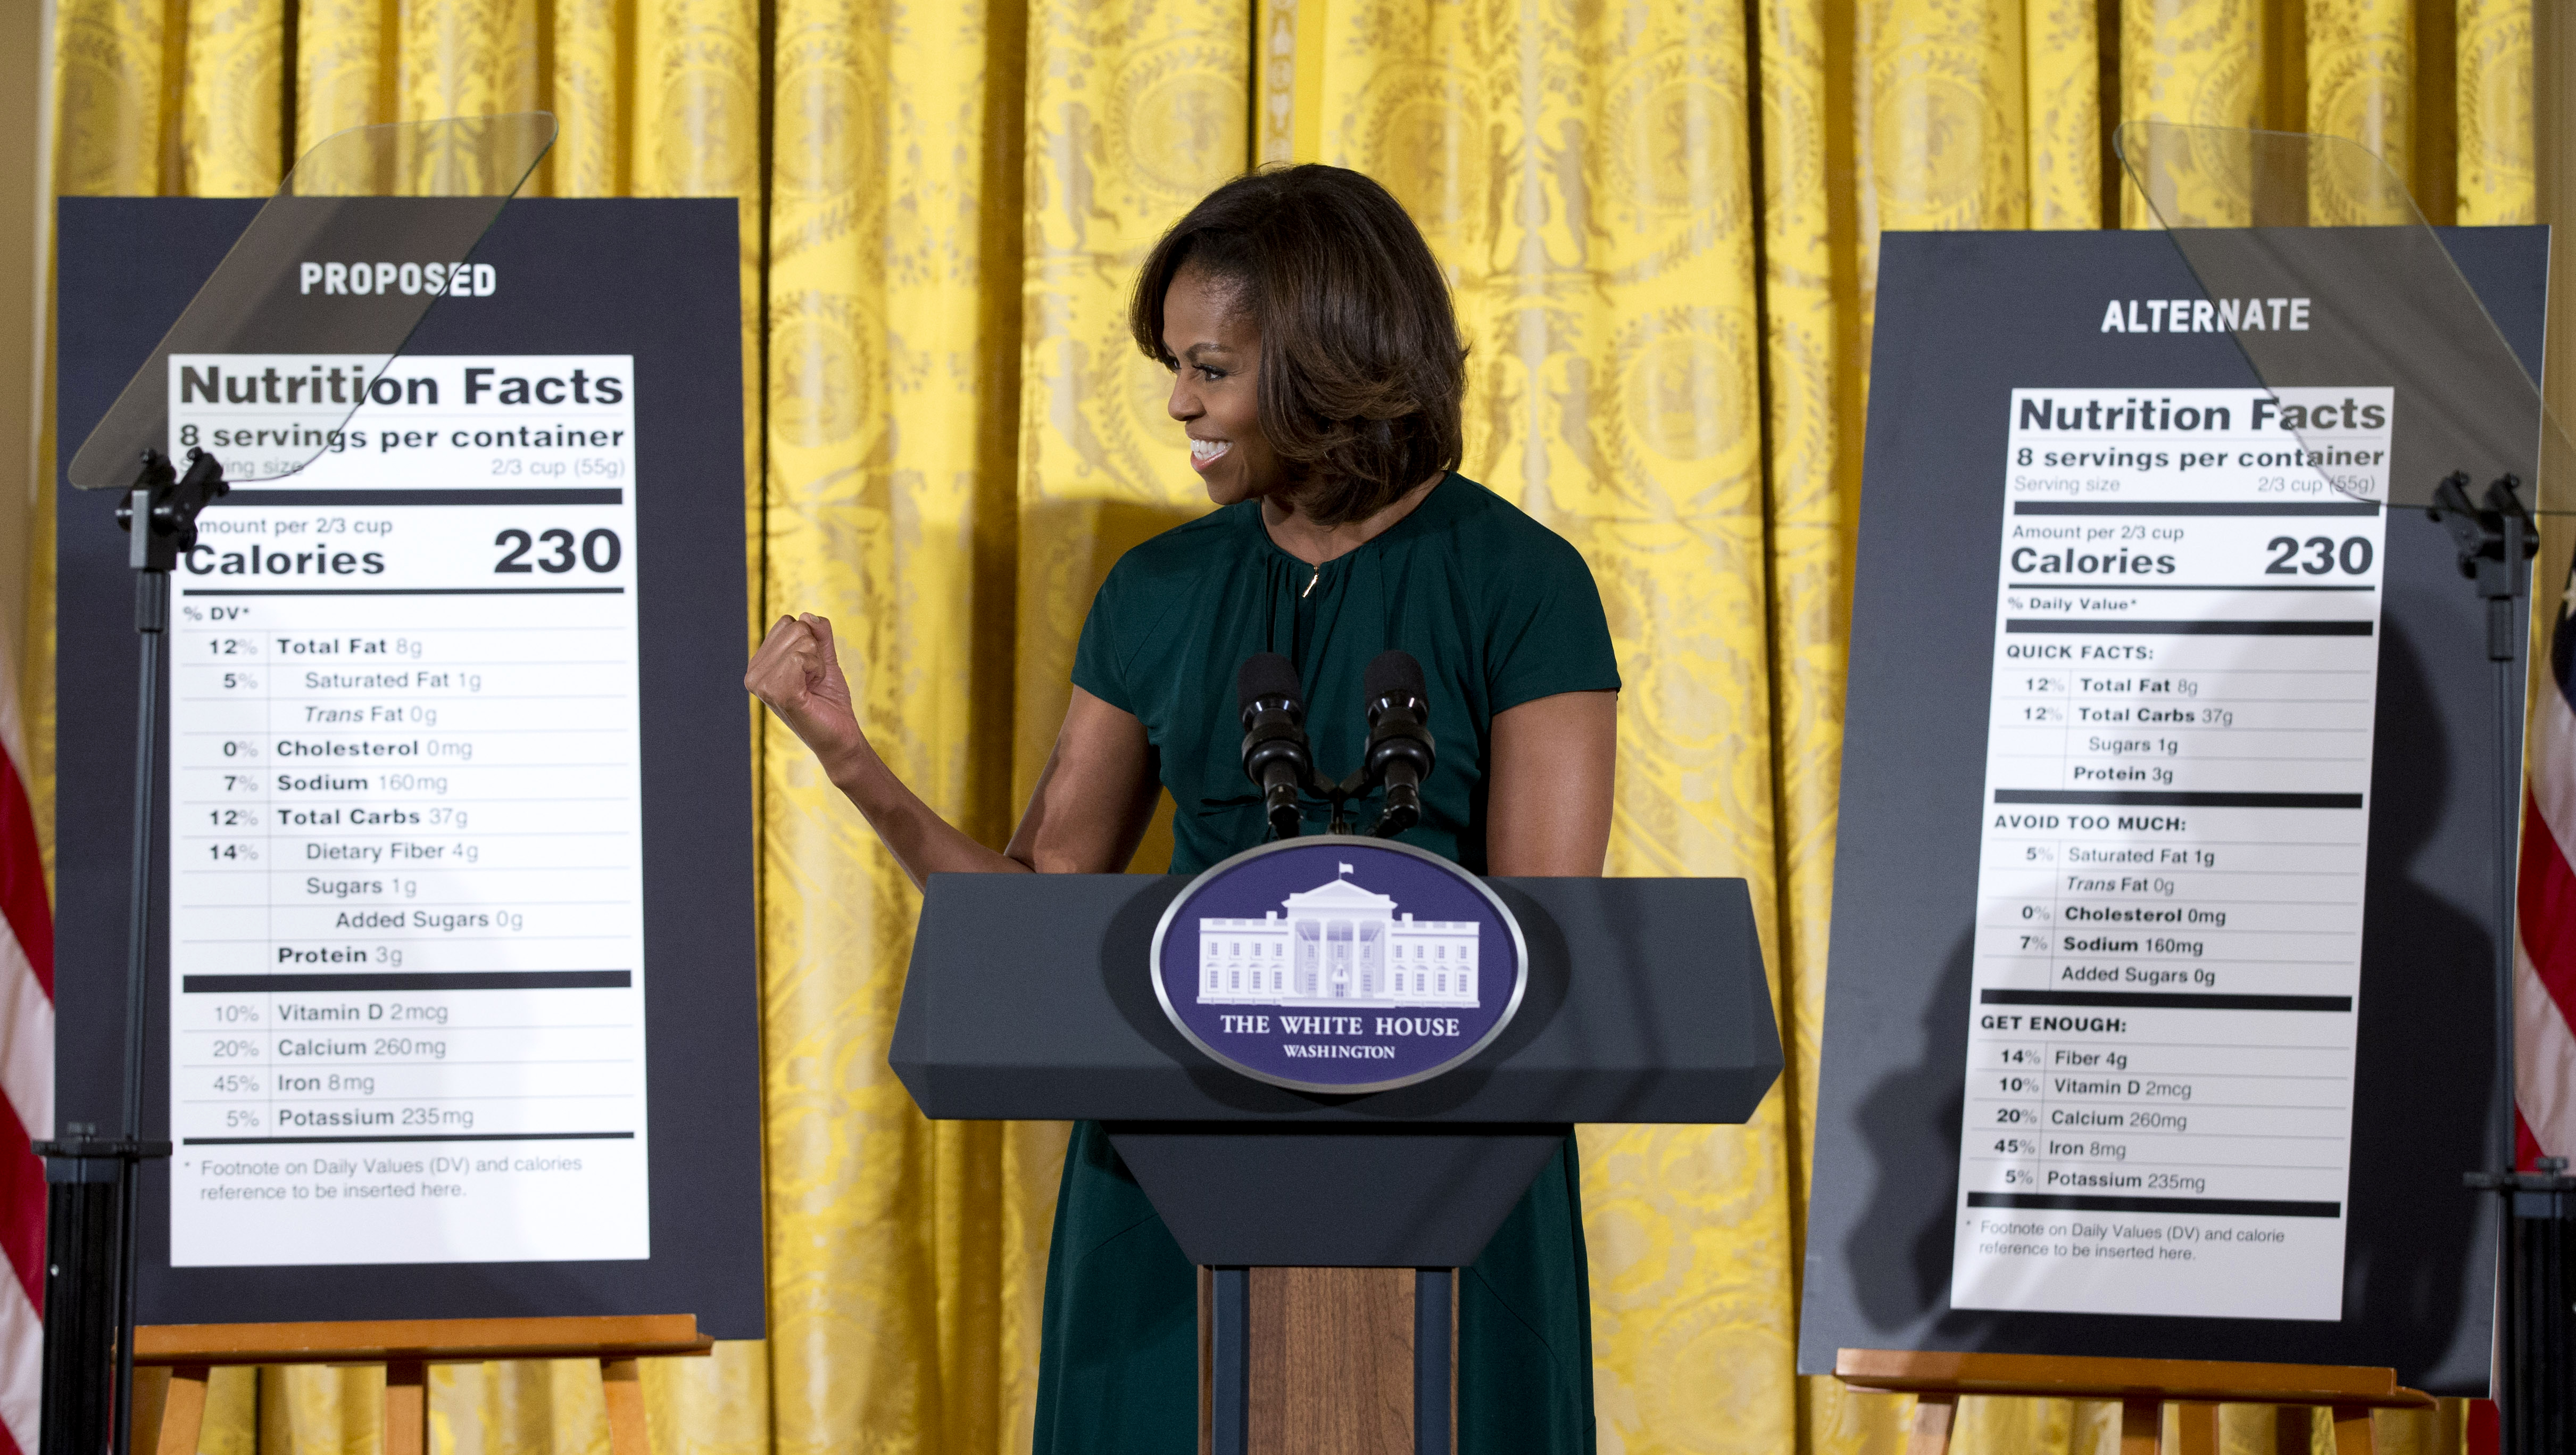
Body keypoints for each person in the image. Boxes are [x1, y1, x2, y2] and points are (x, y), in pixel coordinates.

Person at [745, 163, 1621, 1454]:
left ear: (1330, 359)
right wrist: (851, 761)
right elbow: (1038, 912)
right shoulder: (1154, 591)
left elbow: (1539, 947)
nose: (1179, 404)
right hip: (1172, 1178)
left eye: (1211, 369)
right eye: (1175, 365)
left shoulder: (1523, 581)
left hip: (1455, 1178)